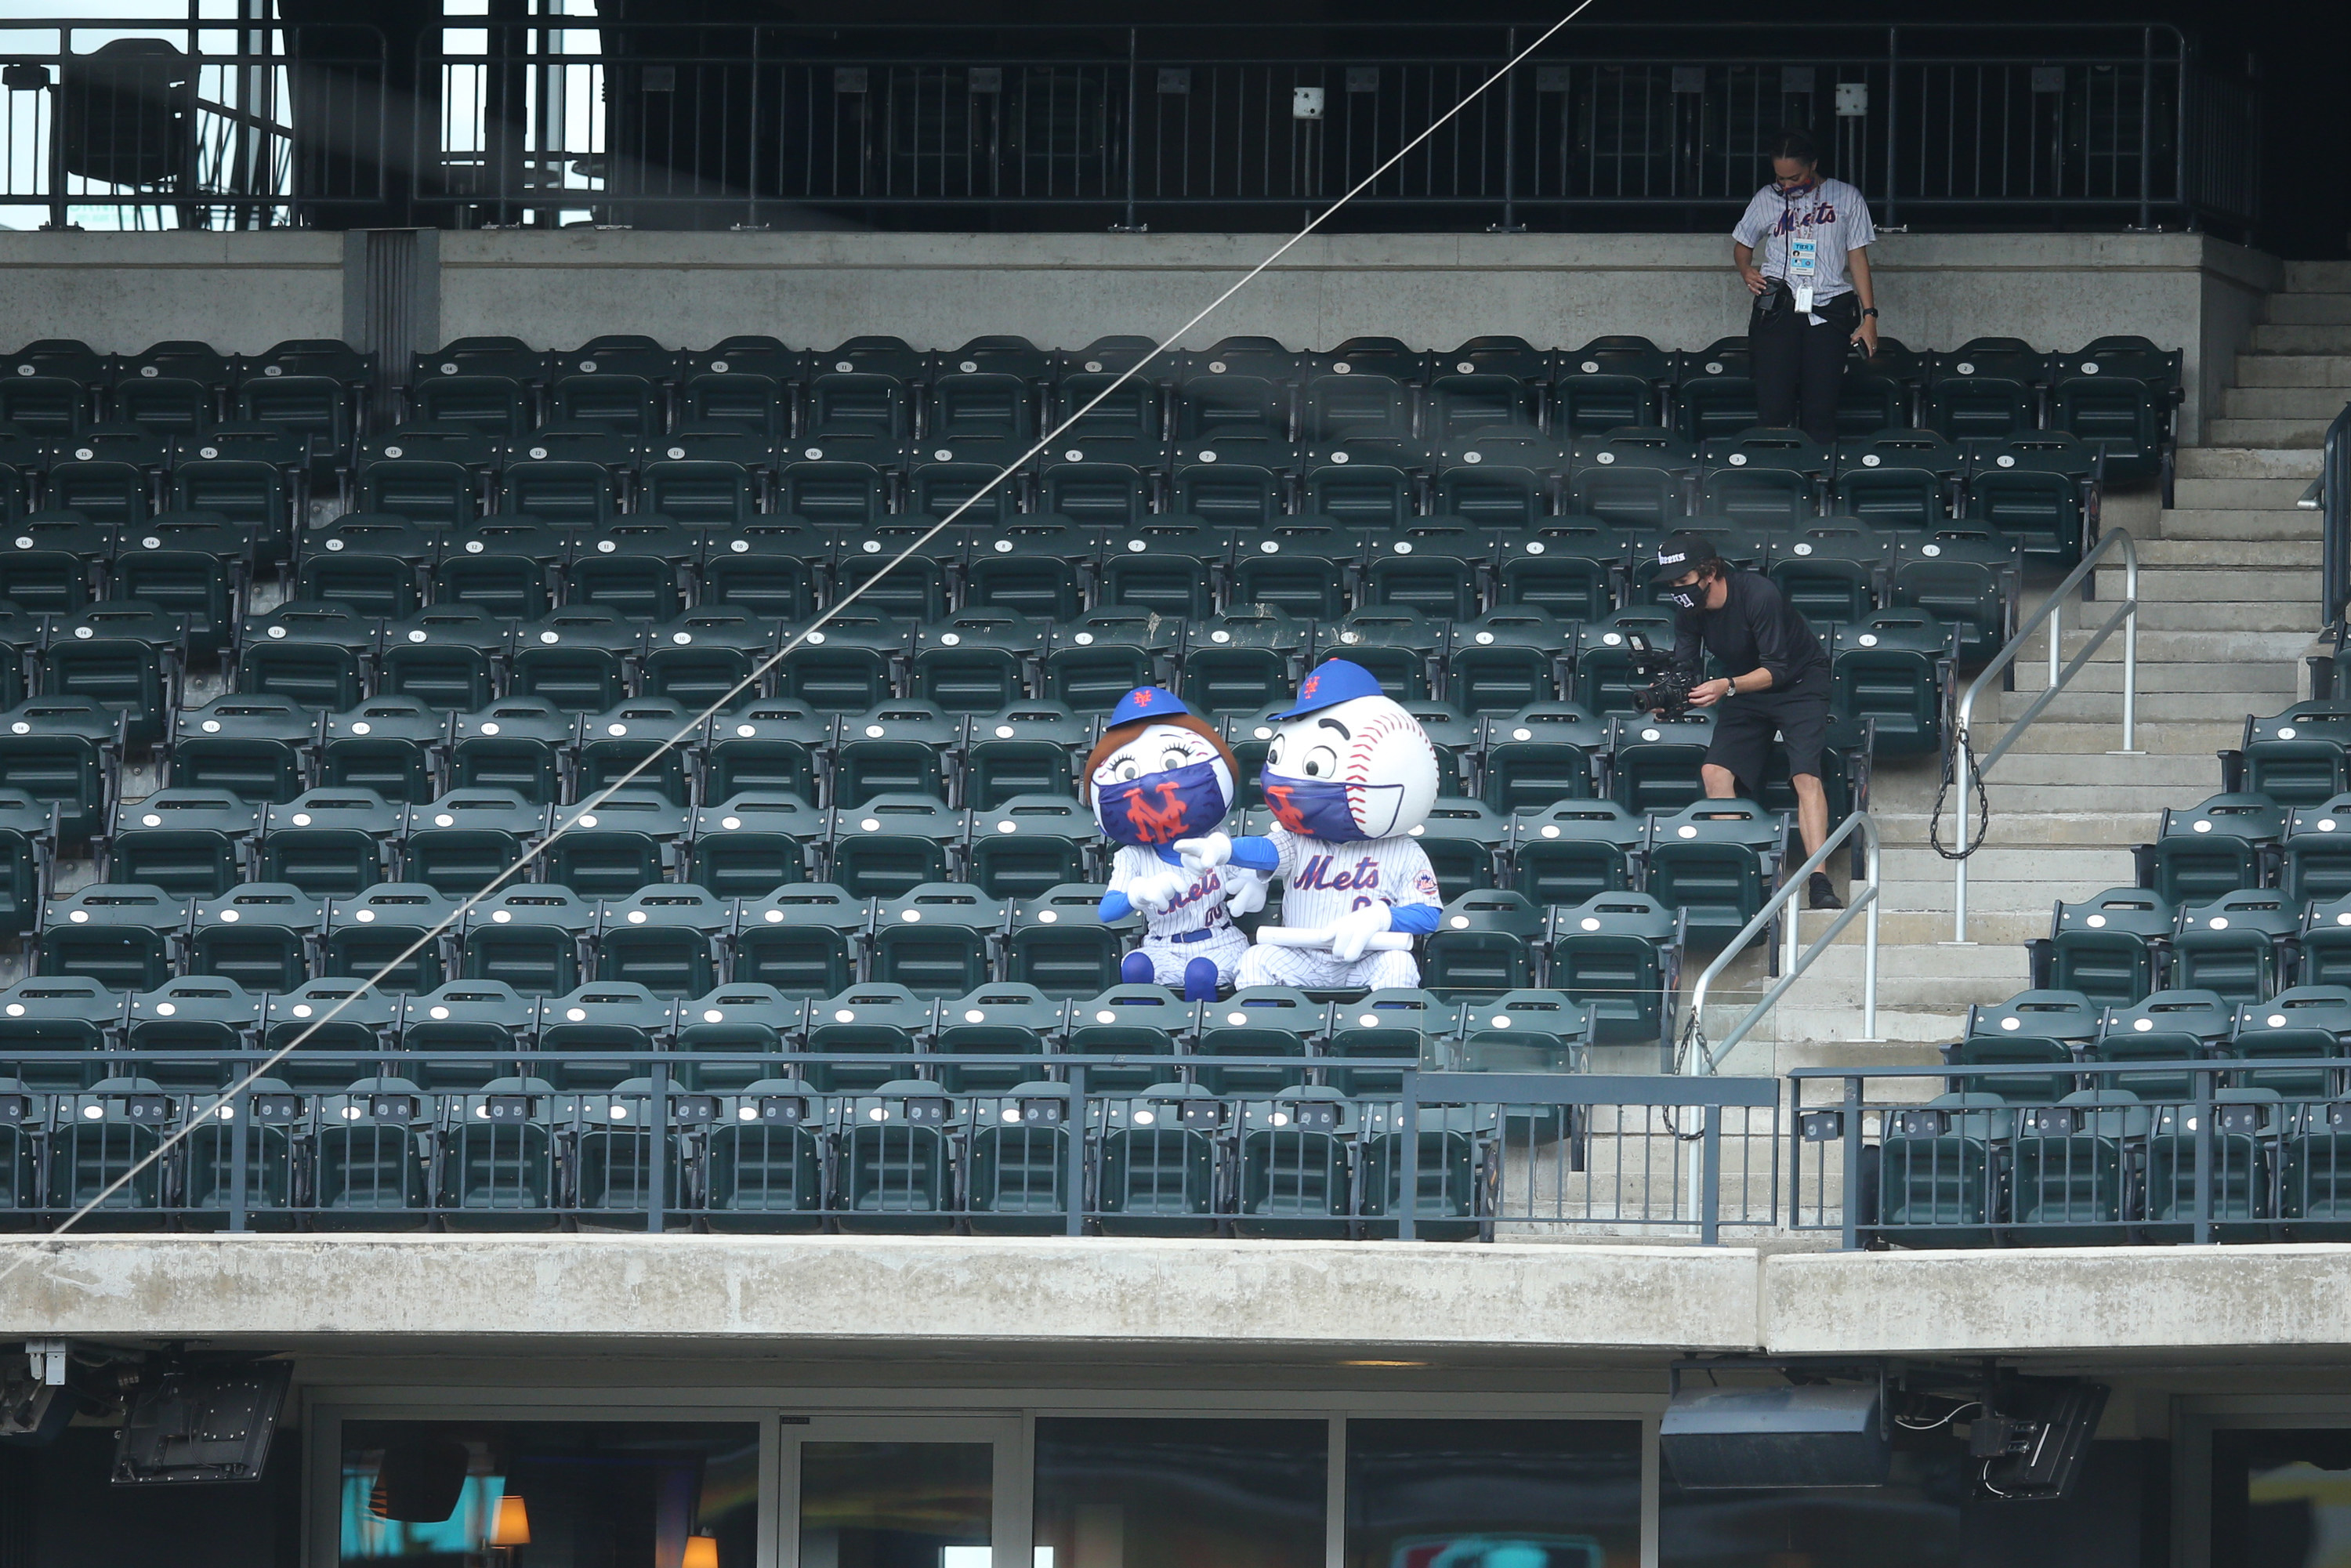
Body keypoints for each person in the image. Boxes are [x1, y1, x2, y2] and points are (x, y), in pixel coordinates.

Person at [1650, 532, 1842, 911]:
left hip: (1799, 684)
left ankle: (1818, 879)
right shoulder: (1688, 609)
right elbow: (1684, 666)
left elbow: (1778, 668)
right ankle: (1745, 865)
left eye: (1683, 580)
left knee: (1805, 775)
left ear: (1710, 572)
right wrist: (1667, 696)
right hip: (1741, 687)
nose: (1678, 590)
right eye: (1671, 583)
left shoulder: (1759, 594)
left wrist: (1727, 685)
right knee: (1714, 773)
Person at [1731, 127, 1879, 446]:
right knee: (1773, 405)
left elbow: (1857, 257)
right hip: (1779, 308)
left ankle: (1818, 482)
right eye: (1781, 178)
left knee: (1821, 408)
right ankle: (1774, 478)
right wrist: (1746, 271)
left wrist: (1869, 316)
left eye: (1794, 178)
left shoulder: (1847, 197)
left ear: (1813, 164)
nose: (1786, 185)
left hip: (1828, 309)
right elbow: (1742, 245)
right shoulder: (1767, 198)